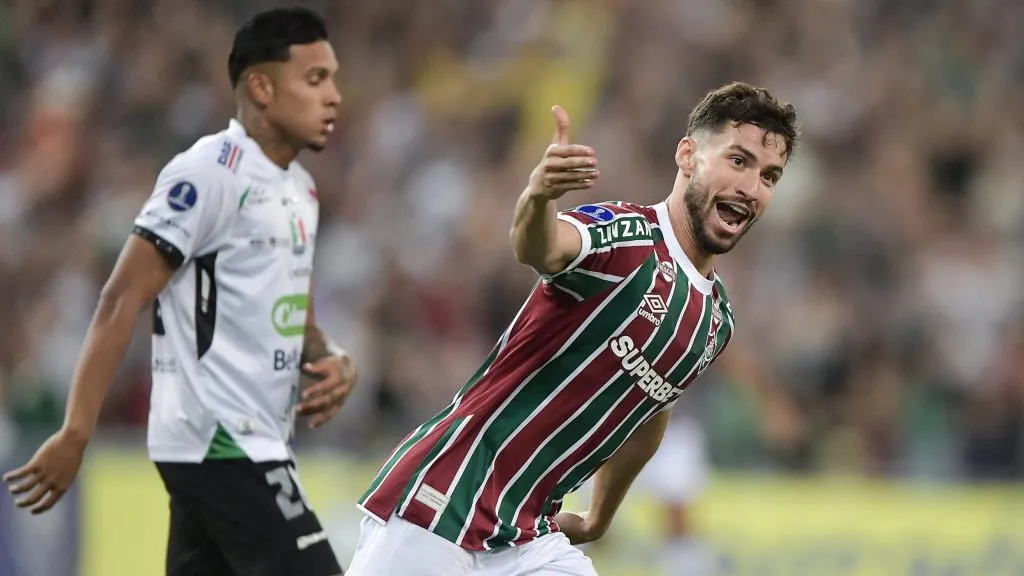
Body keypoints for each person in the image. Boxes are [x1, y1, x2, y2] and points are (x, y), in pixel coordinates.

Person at [347, 81, 799, 575]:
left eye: (769, 176)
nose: (751, 188)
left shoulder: (715, 321)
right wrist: (539, 196)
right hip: (444, 501)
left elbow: (651, 408)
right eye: (738, 161)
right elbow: (537, 247)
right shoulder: (625, 235)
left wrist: (600, 514)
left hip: (528, 535)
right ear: (688, 156)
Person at [3, 7, 355, 576]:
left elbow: (286, 308)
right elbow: (121, 297)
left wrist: (327, 354)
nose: (334, 95)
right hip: (221, 438)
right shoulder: (208, 173)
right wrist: (77, 430)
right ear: (261, 87)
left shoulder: (301, 191)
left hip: (252, 438)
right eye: (315, 79)